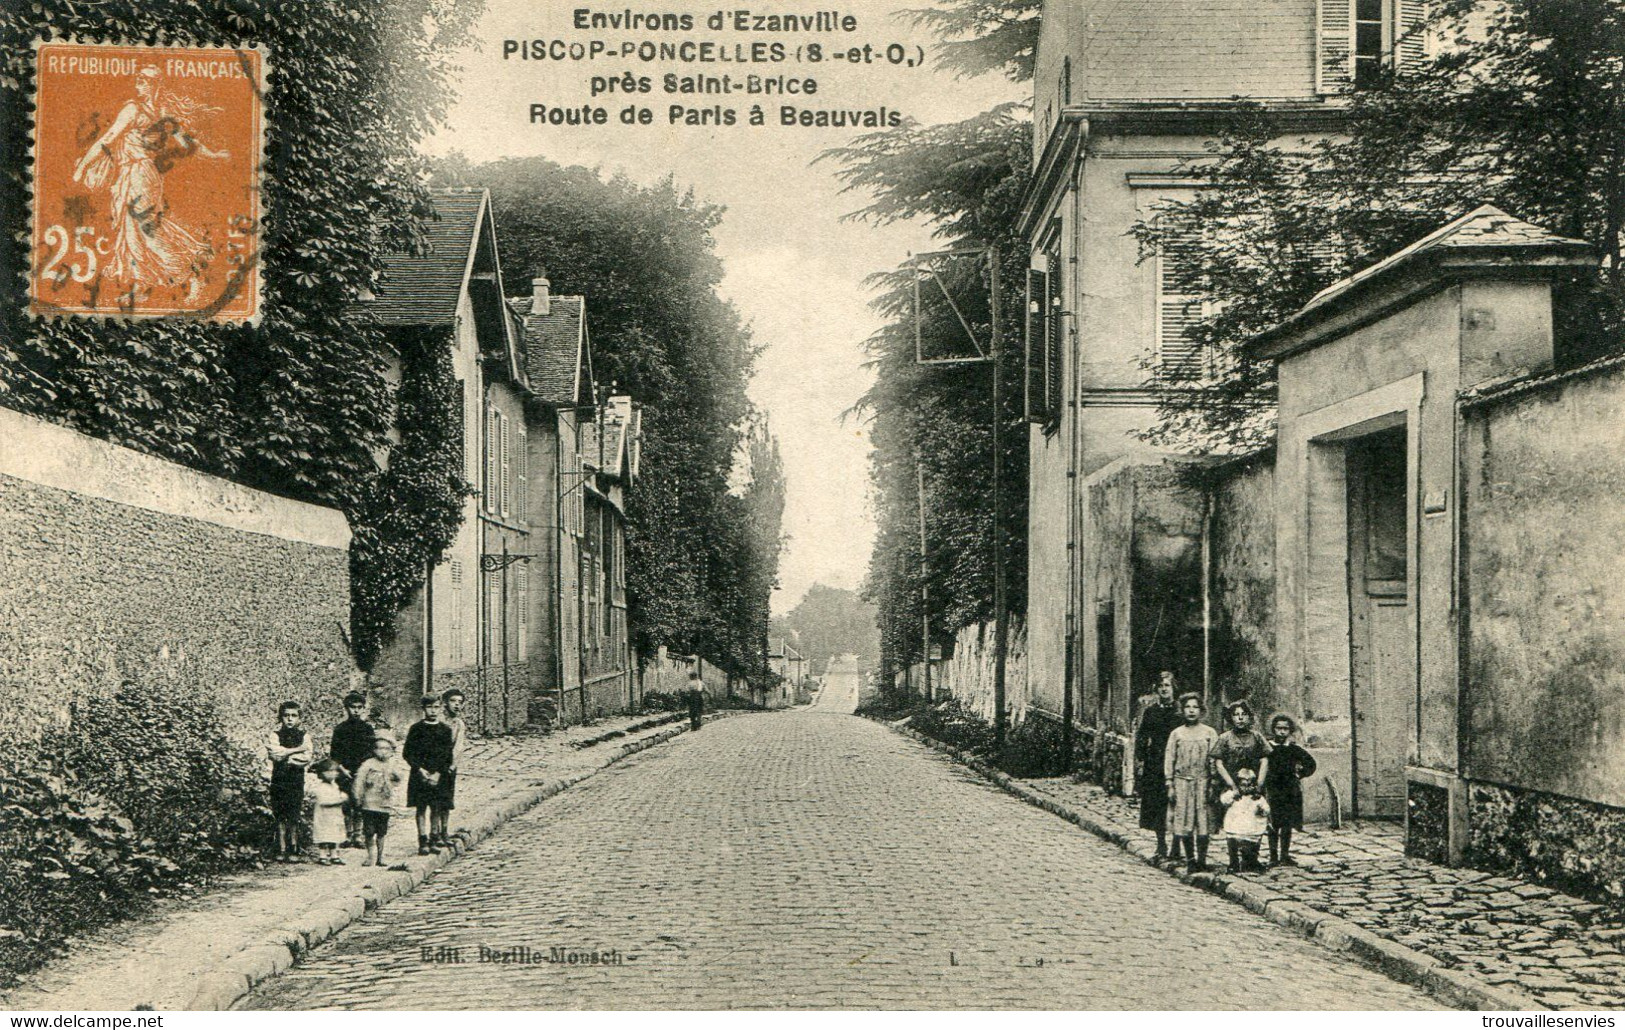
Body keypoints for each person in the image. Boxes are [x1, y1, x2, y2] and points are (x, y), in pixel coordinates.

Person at [70, 65, 229, 304]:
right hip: (141, 174)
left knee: (146, 231)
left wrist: (83, 167)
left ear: (153, 84)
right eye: (138, 81)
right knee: (132, 232)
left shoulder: (134, 109)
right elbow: (187, 141)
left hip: (138, 174)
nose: (137, 85)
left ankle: (191, 275)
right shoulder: (161, 112)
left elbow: (108, 139)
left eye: (142, 81)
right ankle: (142, 286)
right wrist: (213, 155)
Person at [1164, 693, 1218, 872]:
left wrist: (1213, 784)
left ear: (1201, 710)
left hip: (1202, 782)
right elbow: (1169, 759)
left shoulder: (1209, 733)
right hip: (1182, 783)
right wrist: (1170, 784)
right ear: (1182, 710)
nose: (1191, 711)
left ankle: (1202, 859)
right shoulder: (1176, 734)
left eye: (1195, 707)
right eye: (1188, 707)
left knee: (1203, 821)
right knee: (1185, 822)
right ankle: (1191, 860)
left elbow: (1214, 759)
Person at [1134, 671, 1183, 860]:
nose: (1164, 689)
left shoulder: (1180, 712)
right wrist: (1141, 758)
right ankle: (1161, 843)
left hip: (1177, 763)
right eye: (1161, 686)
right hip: (1155, 764)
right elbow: (1142, 736)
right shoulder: (1151, 711)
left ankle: (1177, 846)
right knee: (1156, 805)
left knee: (1177, 805)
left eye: (1167, 686)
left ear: (1174, 689)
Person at [403, 695, 456, 856]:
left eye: (436, 707)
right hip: (419, 775)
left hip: (438, 775)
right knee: (421, 808)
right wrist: (420, 770)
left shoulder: (445, 730)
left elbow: (447, 756)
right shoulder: (416, 729)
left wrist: (438, 773)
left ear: (441, 708)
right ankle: (422, 840)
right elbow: (408, 753)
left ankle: (434, 838)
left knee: (436, 807)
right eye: (430, 707)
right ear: (423, 709)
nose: (433, 711)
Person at [1263, 714, 1318, 867]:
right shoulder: (1267, 747)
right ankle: (1273, 857)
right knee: (1273, 824)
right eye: (1278, 728)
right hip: (1273, 790)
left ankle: (1285, 855)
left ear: (1290, 731)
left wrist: (1300, 774)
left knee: (1287, 824)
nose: (1281, 732)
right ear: (1273, 729)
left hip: (1290, 791)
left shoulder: (1294, 749)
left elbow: (1311, 764)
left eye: (1285, 729)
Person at [265, 701, 312, 863]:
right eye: (286, 716)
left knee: (293, 813)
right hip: (279, 779)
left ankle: (294, 848)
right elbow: (275, 754)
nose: (290, 719)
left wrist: (287, 756)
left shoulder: (304, 736)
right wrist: (297, 750)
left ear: (299, 718)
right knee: (280, 814)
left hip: (296, 780)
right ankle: (281, 847)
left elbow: (306, 758)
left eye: (294, 716)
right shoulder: (275, 735)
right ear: (281, 717)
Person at [329, 691, 376, 848]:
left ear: (363, 709)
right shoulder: (340, 729)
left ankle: (358, 835)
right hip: (345, 772)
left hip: (362, 772)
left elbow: (372, 752)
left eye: (359, 707)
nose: (356, 710)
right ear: (346, 708)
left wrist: (364, 771)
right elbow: (334, 754)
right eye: (352, 707)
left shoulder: (368, 729)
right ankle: (347, 835)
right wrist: (343, 770)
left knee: (360, 804)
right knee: (346, 803)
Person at [353, 735, 405, 868]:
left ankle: (380, 857)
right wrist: (358, 797)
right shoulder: (368, 764)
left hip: (384, 804)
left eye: (387, 749)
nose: (383, 752)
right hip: (369, 804)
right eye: (380, 748)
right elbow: (359, 781)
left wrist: (394, 778)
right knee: (369, 831)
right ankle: (370, 856)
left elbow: (399, 779)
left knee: (382, 832)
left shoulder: (392, 764)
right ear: (374, 750)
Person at [1212, 699, 1271, 800]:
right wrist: (1232, 785)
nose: (1240, 718)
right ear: (1231, 718)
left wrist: (1259, 784)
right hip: (1231, 785)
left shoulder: (1257, 736)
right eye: (1236, 715)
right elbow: (1219, 764)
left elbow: (1264, 760)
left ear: (1248, 716)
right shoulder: (1224, 738)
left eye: (1244, 714)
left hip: (1254, 786)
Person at [1221, 767, 1271, 873]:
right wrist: (1232, 795)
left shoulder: (1257, 798)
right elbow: (1224, 800)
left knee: (1252, 846)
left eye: (1250, 785)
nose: (1247, 788)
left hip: (1251, 828)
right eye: (1243, 785)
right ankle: (1233, 863)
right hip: (1235, 826)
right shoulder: (1234, 796)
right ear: (1238, 785)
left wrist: (1262, 811)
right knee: (1233, 845)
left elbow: (1266, 809)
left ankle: (1250, 862)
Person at [440, 688, 468, 852]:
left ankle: (444, 832)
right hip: (435, 763)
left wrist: (452, 764)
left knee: (446, 799)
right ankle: (433, 834)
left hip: (449, 765)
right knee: (433, 800)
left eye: (460, 702)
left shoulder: (459, 724)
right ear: (445, 703)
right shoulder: (439, 720)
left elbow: (458, 747)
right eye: (453, 701)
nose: (457, 705)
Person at [307, 759, 348, 866]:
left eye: (334, 771)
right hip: (324, 816)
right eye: (329, 771)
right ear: (321, 773)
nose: (333, 774)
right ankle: (323, 856)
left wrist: (341, 797)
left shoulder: (334, 785)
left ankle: (334, 855)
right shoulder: (321, 787)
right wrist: (340, 800)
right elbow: (324, 802)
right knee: (324, 835)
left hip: (334, 815)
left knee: (334, 835)